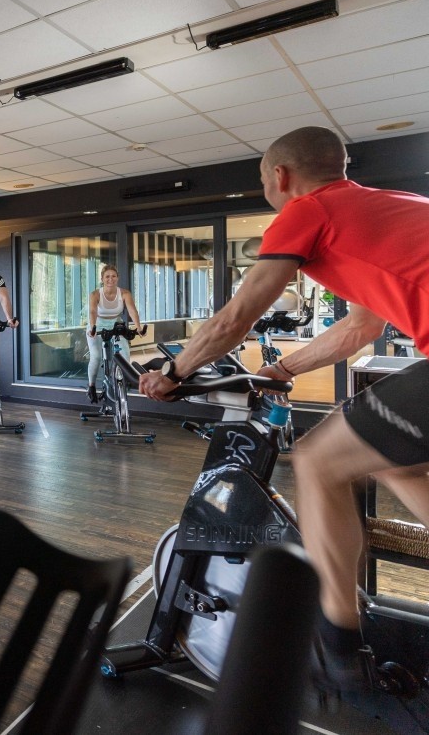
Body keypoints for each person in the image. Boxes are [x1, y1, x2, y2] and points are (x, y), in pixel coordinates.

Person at [137, 126, 429, 713]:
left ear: (280, 177)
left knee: (320, 460)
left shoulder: (308, 209)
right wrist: (283, 369)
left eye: (266, 183)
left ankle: (340, 645)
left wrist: (172, 369)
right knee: (391, 459)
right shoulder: (386, 210)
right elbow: (360, 328)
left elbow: (235, 317)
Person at [86, 265, 142, 403]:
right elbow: (92, 312)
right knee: (96, 356)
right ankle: (91, 386)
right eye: (107, 276)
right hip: (97, 324)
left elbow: (132, 311)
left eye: (113, 276)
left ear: (117, 278)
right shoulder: (95, 294)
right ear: (102, 279)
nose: (110, 279)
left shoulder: (124, 293)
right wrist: (93, 328)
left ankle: (120, 383)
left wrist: (139, 327)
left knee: (125, 355)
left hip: (116, 324)